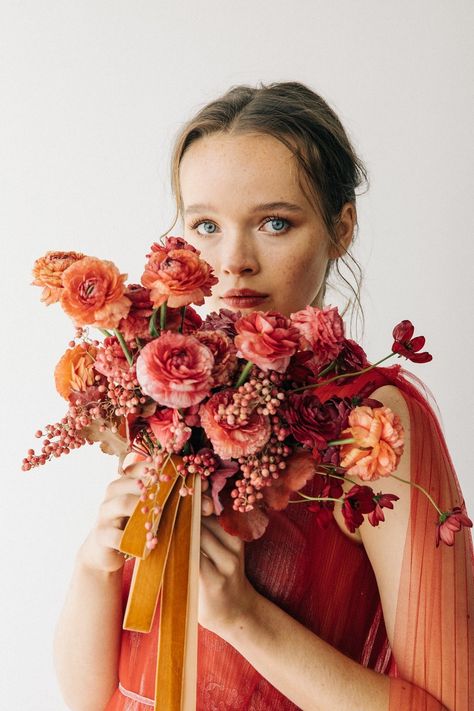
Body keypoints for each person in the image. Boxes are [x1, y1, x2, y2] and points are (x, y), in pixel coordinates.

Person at [53, 81, 473, 710]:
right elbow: (90, 697)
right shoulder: (172, 388)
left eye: (275, 223)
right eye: (206, 225)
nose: (234, 260)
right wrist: (95, 565)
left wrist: (244, 618)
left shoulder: (372, 428)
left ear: (341, 229)